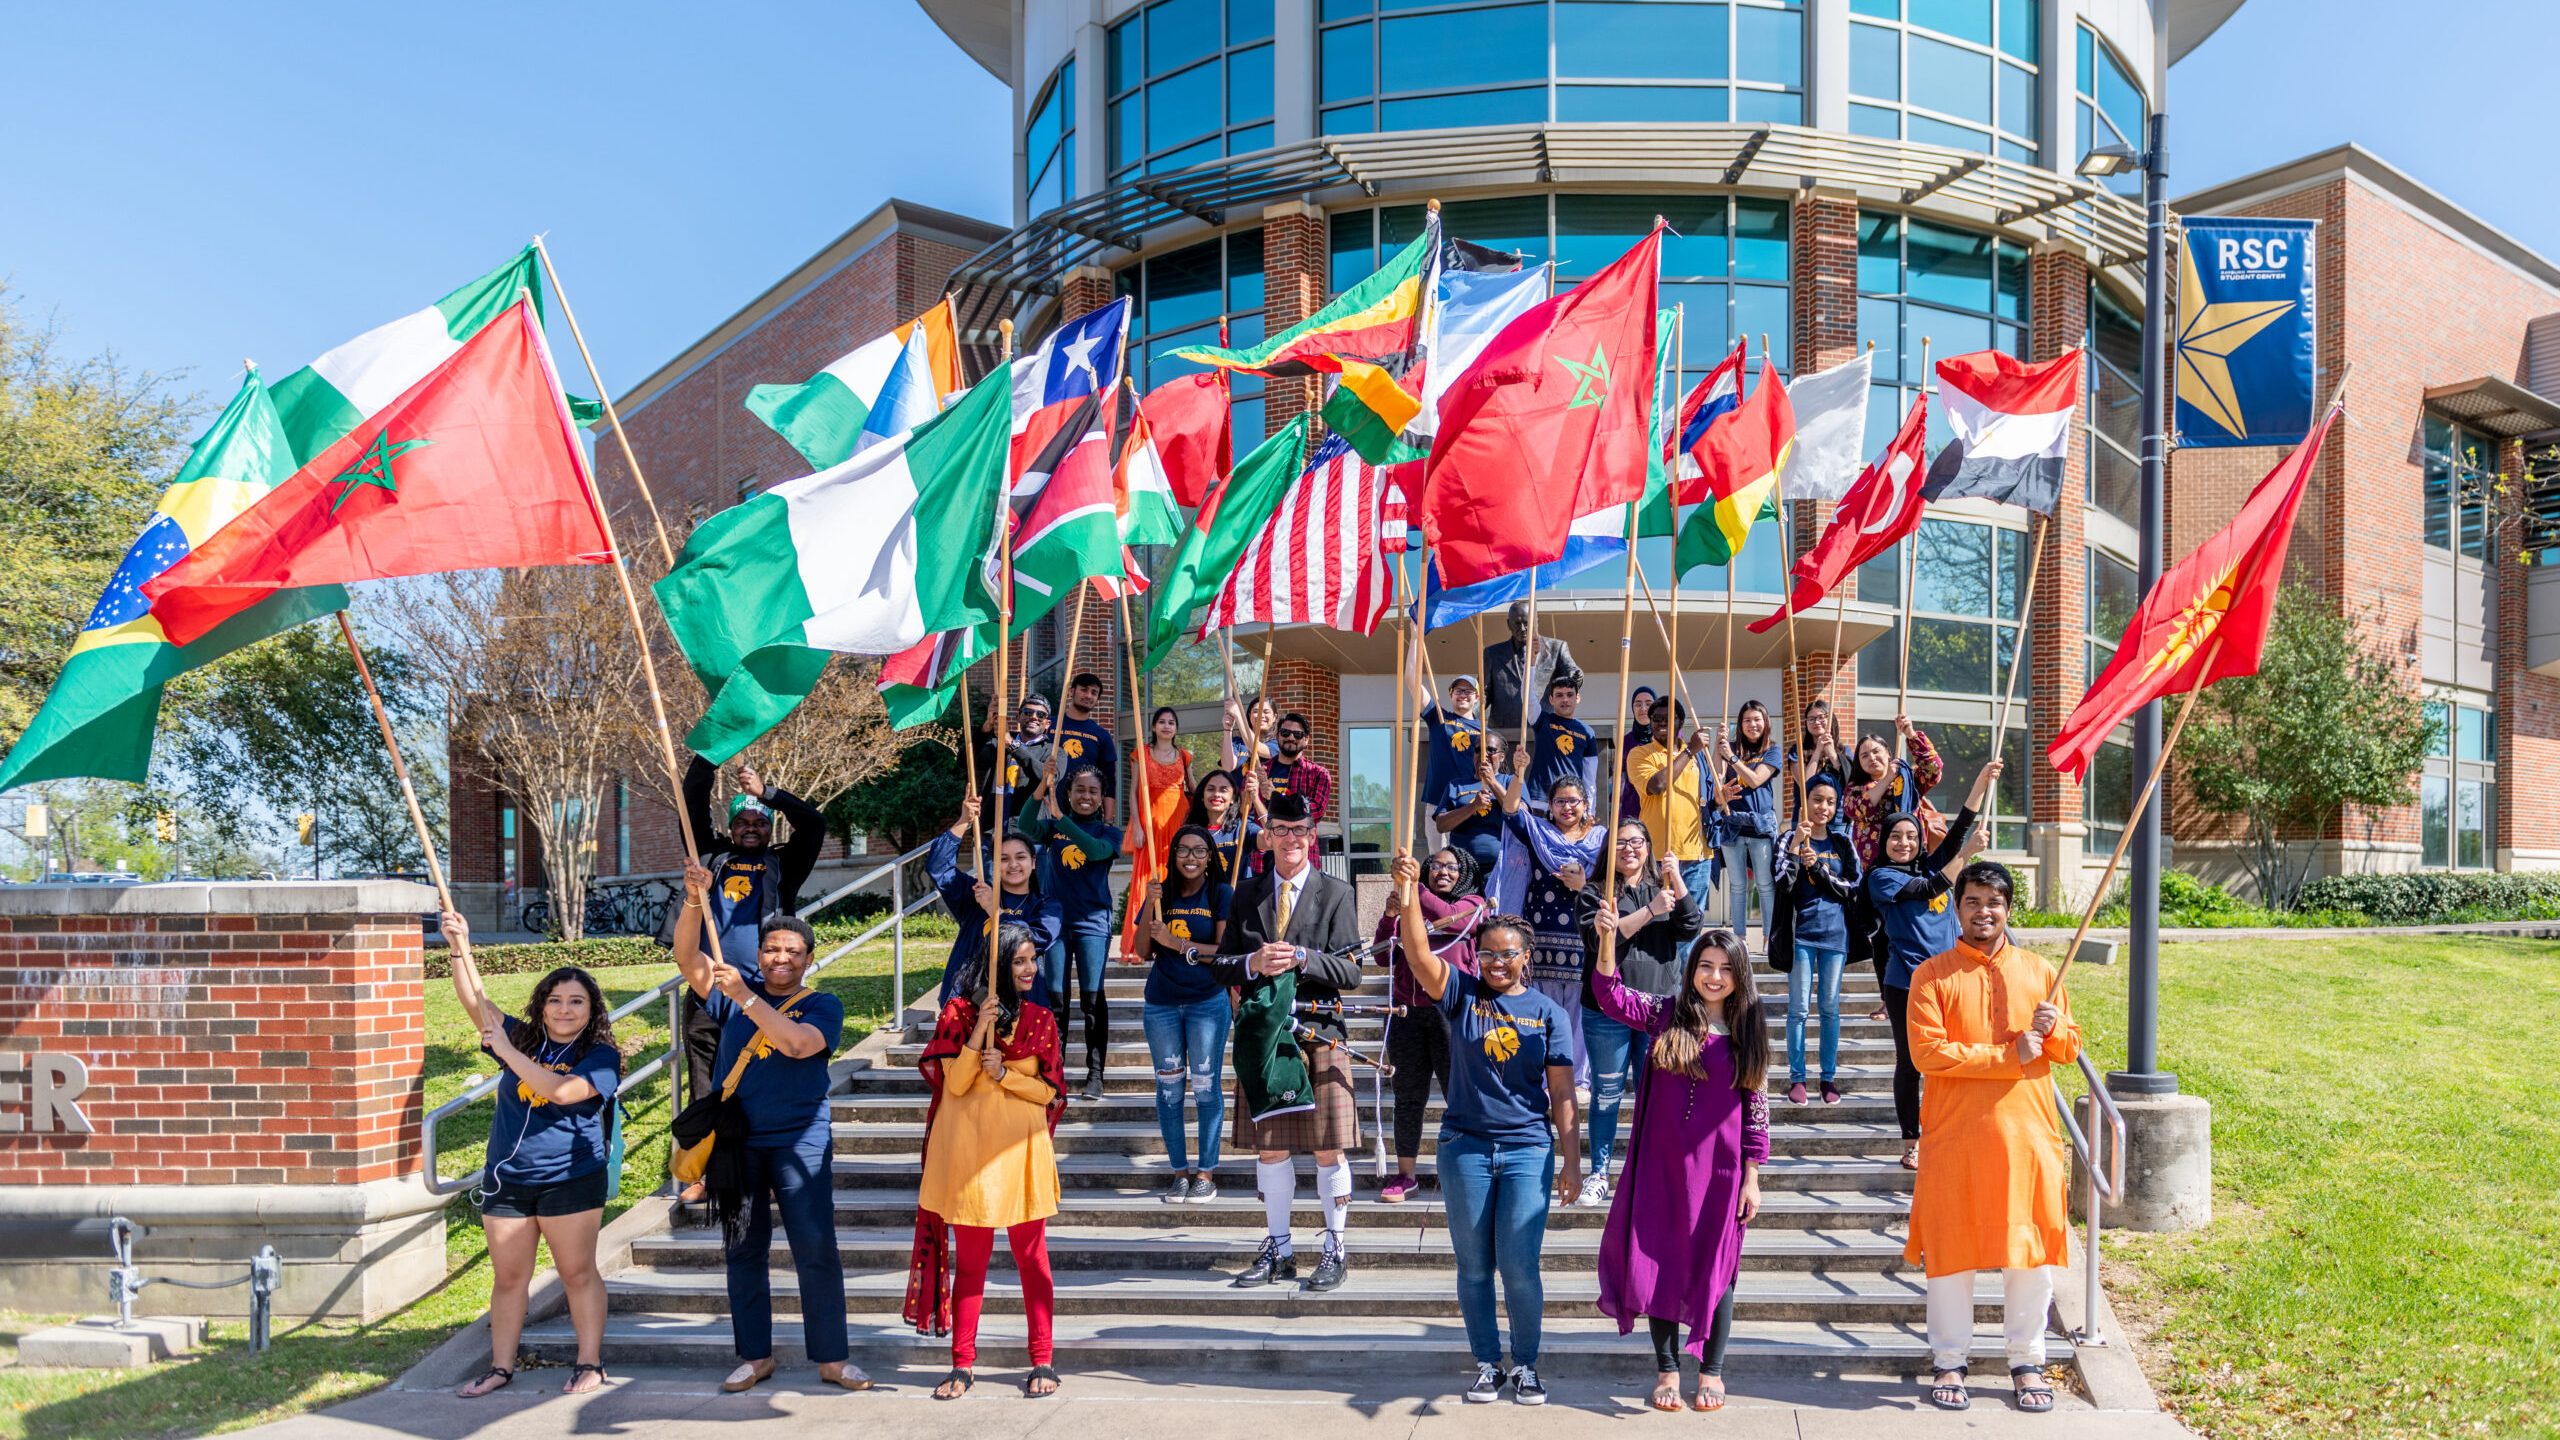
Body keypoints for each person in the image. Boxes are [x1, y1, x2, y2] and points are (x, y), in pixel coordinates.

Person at [1391, 852, 1579, 1406]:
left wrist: (1571, 1161)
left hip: (1527, 1149)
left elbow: (1563, 1094)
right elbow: (1419, 956)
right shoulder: (1461, 994)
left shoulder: (1549, 1013)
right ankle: (1486, 1363)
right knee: (1474, 1266)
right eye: (1489, 954)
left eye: (1508, 955)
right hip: (1464, 1148)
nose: (1497, 964)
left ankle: (1525, 1364)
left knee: (1519, 1264)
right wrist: (1407, 896)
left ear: (1527, 958)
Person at [673, 860, 866, 1393]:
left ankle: (831, 1357)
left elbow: (797, 1044)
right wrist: (695, 899)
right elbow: (687, 956)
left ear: (808, 959)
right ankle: (754, 1355)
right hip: (739, 1143)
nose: (780, 958)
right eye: (771, 949)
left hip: (800, 1140)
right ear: (759, 954)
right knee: (742, 1247)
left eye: (792, 951)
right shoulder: (732, 989)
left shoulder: (822, 1004)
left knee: (815, 1247)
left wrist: (746, 998)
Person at [1905, 861, 2079, 1416]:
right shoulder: (1931, 975)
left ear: (2009, 909)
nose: (1984, 911)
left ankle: (2027, 1359)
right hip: (1955, 1138)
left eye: (1994, 902)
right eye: (1973, 901)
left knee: (2027, 1255)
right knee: (1950, 1255)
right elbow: (1927, 1054)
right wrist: (2009, 1055)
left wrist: (2054, 1031)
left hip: (2027, 1138)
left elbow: (2069, 1050)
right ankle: (1949, 1359)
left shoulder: (2042, 972)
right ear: (1957, 908)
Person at [1588, 927, 1771, 1413]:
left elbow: (1757, 1108)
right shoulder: (1666, 1014)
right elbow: (1608, 996)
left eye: (1726, 969)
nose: (1715, 976)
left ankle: (1712, 1371)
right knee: (1657, 1262)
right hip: (1660, 1166)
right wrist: (1608, 941)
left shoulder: (1749, 1025)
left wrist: (1752, 1178)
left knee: (1720, 1269)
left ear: (1740, 976)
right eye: (1706, 966)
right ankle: (1667, 1369)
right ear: (1691, 971)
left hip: (1722, 1173)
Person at [443, 912, 619, 1398]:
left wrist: (508, 1052)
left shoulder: (600, 1056)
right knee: (509, 1278)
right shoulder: (522, 1039)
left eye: (576, 1002)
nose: (565, 1009)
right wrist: (460, 946)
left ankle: (590, 1362)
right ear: (542, 1006)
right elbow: (477, 1003)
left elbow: (562, 1092)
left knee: (576, 1272)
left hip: (571, 1177)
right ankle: (500, 1368)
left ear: (591, 1009)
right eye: (555, 1000)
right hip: (508, 1180)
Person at [1196, 792, 1362, 1292]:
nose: (1291, 840)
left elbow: (1352, 970)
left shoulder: (1336, 892)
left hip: (1320, 1032)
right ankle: (1281, 1249)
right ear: (1268, 838)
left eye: (1300, 831)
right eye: (1282, 831)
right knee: (1270, 1150)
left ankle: (1334, 1248)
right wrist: (1251, 964)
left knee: (1329, 1148)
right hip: (1263, 1038)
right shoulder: (1244, 894)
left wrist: (1303, 959)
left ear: (1313, 837)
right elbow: (1221, 964)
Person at [911, 923, 1067, 1400]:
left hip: (1020, 1154)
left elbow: (1051, 1093)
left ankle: (1043, 1358)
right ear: (996, 964)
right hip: (967, 1156)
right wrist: (980, 1028)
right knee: (972, 1263)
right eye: (1018, 961)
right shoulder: (957, 1013)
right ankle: (962, 1364)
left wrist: (1004, 1076)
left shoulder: (1041, 1019)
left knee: (1032, 1262)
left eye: (1032, 960)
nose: (1030, 969)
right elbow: (954, 1083)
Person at [664, 755, 825, 1180]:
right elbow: (692, 802)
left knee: (761, 1080)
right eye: (743, 821)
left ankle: (763, 1166)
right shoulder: (711, 856)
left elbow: (813, 824)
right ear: (731, 827)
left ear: (770, 829)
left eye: (760, 821)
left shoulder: (784, 864)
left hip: (765, 996)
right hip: (708, 986)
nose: (751, 826)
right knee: (705, 1084)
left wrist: (767, 793)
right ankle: (700, 1173)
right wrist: (709, 754)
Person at [1864, 760, 2001, 1170]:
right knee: (1911, 1063)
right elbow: (1930, 887)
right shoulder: (1881, 877)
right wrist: (1967, 857)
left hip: (1952, 979)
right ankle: (1911, 1142)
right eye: (1896, 837)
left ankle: (1954, 1130)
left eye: (1910, 836)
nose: (1903, 843)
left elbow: (1959, 830)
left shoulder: (1928, 862)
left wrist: (1979, 781)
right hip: (1906, 982)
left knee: (1956, 1058)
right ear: (1885, 841)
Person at [1572, 824, 1703, 1208]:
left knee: (1657, 1094)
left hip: (1658, 1009)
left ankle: (1650, 1170)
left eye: (1637, 842)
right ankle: (1599, 1172)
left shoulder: (1661, 888)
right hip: (1606, 1011)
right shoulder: (1596, 893)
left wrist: (1675, 876)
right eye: (1621, 842)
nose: (1629, 849)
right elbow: (1601, 940)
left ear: (1648, 848)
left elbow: (1691, 925)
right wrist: (1649, 912)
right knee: (1606, 1094)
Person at [1372, 846, 1490, 1203]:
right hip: (1407, 1012)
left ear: (1464, 872)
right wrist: (1390, 914)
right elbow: (1380, 956)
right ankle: (1405, 1174)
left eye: (1452, 867)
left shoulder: (1474, 903)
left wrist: (1413, 886)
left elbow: (1452, 918)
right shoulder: (1409, 903)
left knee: (1460, 1092)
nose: (1443, 872)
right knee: (1408, 1096)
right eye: (1435, 865)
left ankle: (1466, 1166)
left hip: (1453, 1012)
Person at [1489, 748, 1605, 1078]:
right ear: (1550, 806)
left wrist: (1583, 885)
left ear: (1585, 806)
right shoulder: (1539, 833)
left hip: (1584, 939)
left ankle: (1578, 1076)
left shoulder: (1601, 840)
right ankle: (1545, 1073)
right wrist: (1520, 774)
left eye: (1574, 801)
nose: (1567, 807)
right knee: (1543, 1010)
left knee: (1580, 1013)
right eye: (1560, 801)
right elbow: (1511, 811)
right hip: (1543, 941)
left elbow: (1611, 883)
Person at [1017, 764, 1126, 1100]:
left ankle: (1096, 1074)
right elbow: (1024, 826)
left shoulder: (1110, 833)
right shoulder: (1052, 829)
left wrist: (1061, 817)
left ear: (1100, 798)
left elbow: (1093, 852)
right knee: (1055, 1000)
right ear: (1068, 792)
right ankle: (1054, 1072)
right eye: (1079, 789)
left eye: (1093, 791)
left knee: (1092, 999)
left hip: (1092, 922)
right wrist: (1041, 789)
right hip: (1055, 923)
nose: (1086, 796)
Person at [1140, 826, 1233, 1202]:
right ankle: (1179, 1172)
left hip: (1207, 1001)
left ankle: (1205, 1173)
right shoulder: (1162, 893)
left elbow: (1224, 952)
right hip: (1162, 1002)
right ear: (1173, 853)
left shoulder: (1220, 893)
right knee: (1169, 1090)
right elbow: (1143, 950)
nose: (1190, 858)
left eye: (1199, 851)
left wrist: (1176, 943)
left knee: (1207, 1087)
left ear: (1210, 857)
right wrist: (1148, 904)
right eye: (1183, 850)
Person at [1771, 775, 1861, 1106]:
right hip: (1801, 937)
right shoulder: (1786, 839)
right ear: (1805, 802)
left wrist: (1820, 871)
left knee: (1830, 1008)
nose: (1823, 807)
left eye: (1830, 801)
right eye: (1817, 799)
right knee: (1798, 1009)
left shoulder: (1842, 843)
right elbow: (1782, 882)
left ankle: (1828, 1078)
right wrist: (1796, 847)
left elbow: (1853, 887)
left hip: (1836, 937)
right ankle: (1797, 1078)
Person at [927, 795, 1061, 1008]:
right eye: (1004, 859)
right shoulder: (976, 895)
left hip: (1019, 1009)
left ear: (1033, 862)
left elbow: (1033, 940)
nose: (1013, 865)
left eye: (1021, 857)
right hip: (968, 1002)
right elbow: (938, 868)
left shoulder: (1046, 907)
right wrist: (964, 821)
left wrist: (994, 909)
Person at [1120, 705, 1195, 963]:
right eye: (1161, 722)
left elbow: (1193, 789)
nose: (1166, 726)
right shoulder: (1141, 754)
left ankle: (1172, 937)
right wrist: (1137, 826)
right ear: (1153, 727)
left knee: (1175, 878)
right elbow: (1133, 793)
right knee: (1147, 880)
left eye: (1171, 722)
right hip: (1149, 825)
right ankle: (1141, 944)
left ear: (1176, 728)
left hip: (1177, 824)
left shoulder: (1184, 756)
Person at [1627, 699, 1715, 903]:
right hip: (1658, 853)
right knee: (1658, 921)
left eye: (1668, 718)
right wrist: (1690, 750)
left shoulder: (1700, 756)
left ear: (1681, 722)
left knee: (1690, 923)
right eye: (1656, 719)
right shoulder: (1640, 754)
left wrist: (1721, 798)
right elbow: (1657, 785)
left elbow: (1707, 795)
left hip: (1696, 852)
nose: (1661, 723)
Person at [1709, 700, 1781, 939]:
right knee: (1738, 886)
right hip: (1732, 825)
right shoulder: (1730, 747)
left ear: (1765, 722)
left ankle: (1768, 937)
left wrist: (1732, 758)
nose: (1752, 724)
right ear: (1739, 724)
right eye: (1747, 720)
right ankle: (1739, 938)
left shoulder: (1772, 750)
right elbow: (1716, 776)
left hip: (1760, 826)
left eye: (1757, 719)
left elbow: (1754, 780)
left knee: (1765, 885)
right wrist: (1718, 746)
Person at [1481, 597, 1583, 734]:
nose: (1522, 628)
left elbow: (1572, 673)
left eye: (1526, 623)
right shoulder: (1492, 654)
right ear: (1508, 624)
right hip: (1503, 732)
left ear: (1536, 622)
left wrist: (1575, 676)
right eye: (1516, 623)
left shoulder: (1556, 648)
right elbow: (1483, 694)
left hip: (1545, 730)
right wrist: (1468, 718)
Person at [1431, 731, 1512, 881]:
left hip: (1500, 867)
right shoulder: (1456, 785)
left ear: (1502, 756)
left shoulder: (1510, 782)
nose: (1483, 755)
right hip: (1463, 869)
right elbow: (1441, 825)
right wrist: (1472, 806)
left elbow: (1518, 812)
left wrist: (1492, 782)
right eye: (1478, 750)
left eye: (1490, 750)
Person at [1052, 672, 1120, 824]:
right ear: (1071, 691)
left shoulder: (1102, 735)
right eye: (1084, 689)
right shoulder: (1049, 726)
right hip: (1047, 809)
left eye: (1094, 693)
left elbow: (1109, 781)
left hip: (1085, 812)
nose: (1088, 695)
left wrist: (1108, 821)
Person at [1525, 674, 1597, 816]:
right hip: (1540, 802)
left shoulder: (1587, 732)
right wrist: (1531, 664)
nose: (1565, 699)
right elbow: (1527, 696)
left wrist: (1590, 812)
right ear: (1551, 699)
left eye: (1570, 695)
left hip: (1570, 805)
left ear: (1577, 698)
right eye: (1559, 695)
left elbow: (1590, 779)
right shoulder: (1542, 721)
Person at [1419, 673, 1487, 822]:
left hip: (1468, 801)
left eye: (1468, 691)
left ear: (1477, 697)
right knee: (1437, 847)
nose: (1463, 695)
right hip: (1437, 800)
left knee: (1464, 846)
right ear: (1451, 695)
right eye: (1458, 691)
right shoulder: (1439, 717)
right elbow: (1413, 682)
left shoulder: (1484, 731)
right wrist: (1414, 648)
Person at [1265, 711, 1335, 849]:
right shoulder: (1261, 771)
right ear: (1277, 735)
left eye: (1297, 734)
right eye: (1285, 733)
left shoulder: (1318, 774)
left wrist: (1276, 798)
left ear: (1306, 740)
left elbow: (1313, 813)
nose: (1291, 737)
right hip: (1262, 856)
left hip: (1299, 853)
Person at [1192, 767, 1264, 886]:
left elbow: (1272, 840)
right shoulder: (1190, 832)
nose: (1216, 794)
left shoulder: (1243, 829)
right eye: (1211, 789)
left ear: (1233, 799)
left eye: (1223, 790)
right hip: (1202, 902)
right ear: (1202, 796)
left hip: (1236, 901)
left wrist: (1255, 799)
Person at [1784, 698, 1847, 821]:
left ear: (1831, 719)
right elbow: (1805, 783)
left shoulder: (1844, 751)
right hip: (1806, 817)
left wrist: (1833, 755)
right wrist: (1818, 751)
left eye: (1821, 717)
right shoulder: (1797, 750)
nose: (1816, 722)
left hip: (1837, 818)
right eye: (1811, 719)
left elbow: (1847, 781)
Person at [1617, 685, 1657, 819]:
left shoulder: (1669, 738)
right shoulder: (1626, 741)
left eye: (1649, 703)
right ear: (1632, 709)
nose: (1643, 709)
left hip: (1660, 808)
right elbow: (1620, 779)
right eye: (1638, 704)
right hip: (1632, 810)